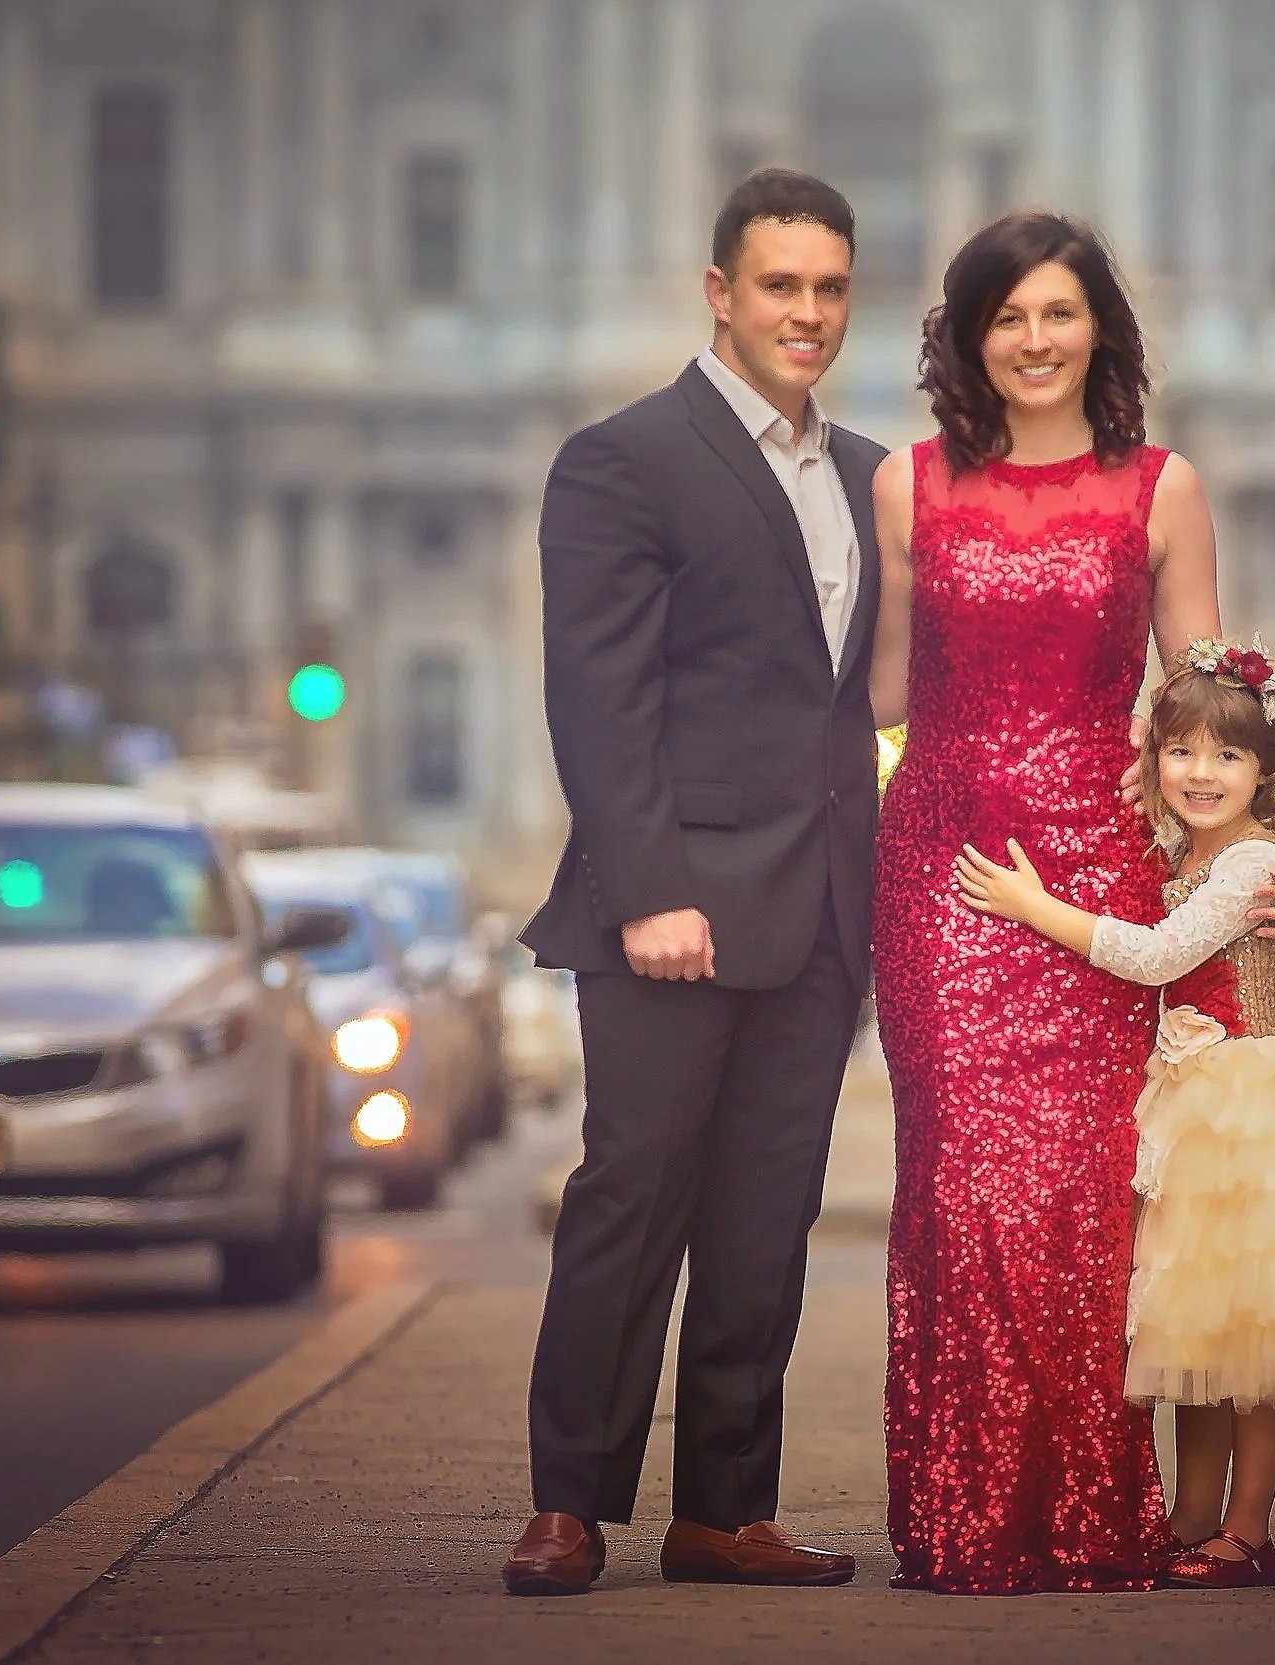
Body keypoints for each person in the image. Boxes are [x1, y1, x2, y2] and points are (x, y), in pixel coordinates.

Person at [865, 212, 1275, 1595]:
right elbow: (878, 694)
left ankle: (1088, 1509)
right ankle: (961, 1510)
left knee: (1087, 1198)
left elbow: (1215, 708)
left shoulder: (1161, 487)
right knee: (959, 1186)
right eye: (1003, 316)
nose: (1031, 340)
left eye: (1056, 313)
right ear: (964, 337)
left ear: (1098, 332)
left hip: (1097, 864)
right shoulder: (905, 487)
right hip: (943, 874)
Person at [505, 169, 877, 1597]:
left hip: (819, 913)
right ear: (718, 293)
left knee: (762, 1215)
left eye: (827, 287)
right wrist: (647, 887)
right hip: (672, 908)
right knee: (631, 1193)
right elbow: (597, 700)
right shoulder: (623, 458)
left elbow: (862, 704)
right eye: (778, 285)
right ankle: (568, 1502)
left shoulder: (864, 477)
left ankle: (725, 1509)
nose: (805, 312)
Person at [953, 640, 1275, 1590]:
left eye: (1229, 756)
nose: (1202, 773)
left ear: (1267, 769)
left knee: (1254, 1336)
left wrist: (1030, 904)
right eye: (1183, 752)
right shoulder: (1181, 848)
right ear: (1153, 757)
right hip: (1194, 1104)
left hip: (1249, 1110)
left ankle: (1248, 1529)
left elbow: (1155, 955)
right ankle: (1191, 1516)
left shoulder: (1251, 861)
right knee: (1199, 1328)